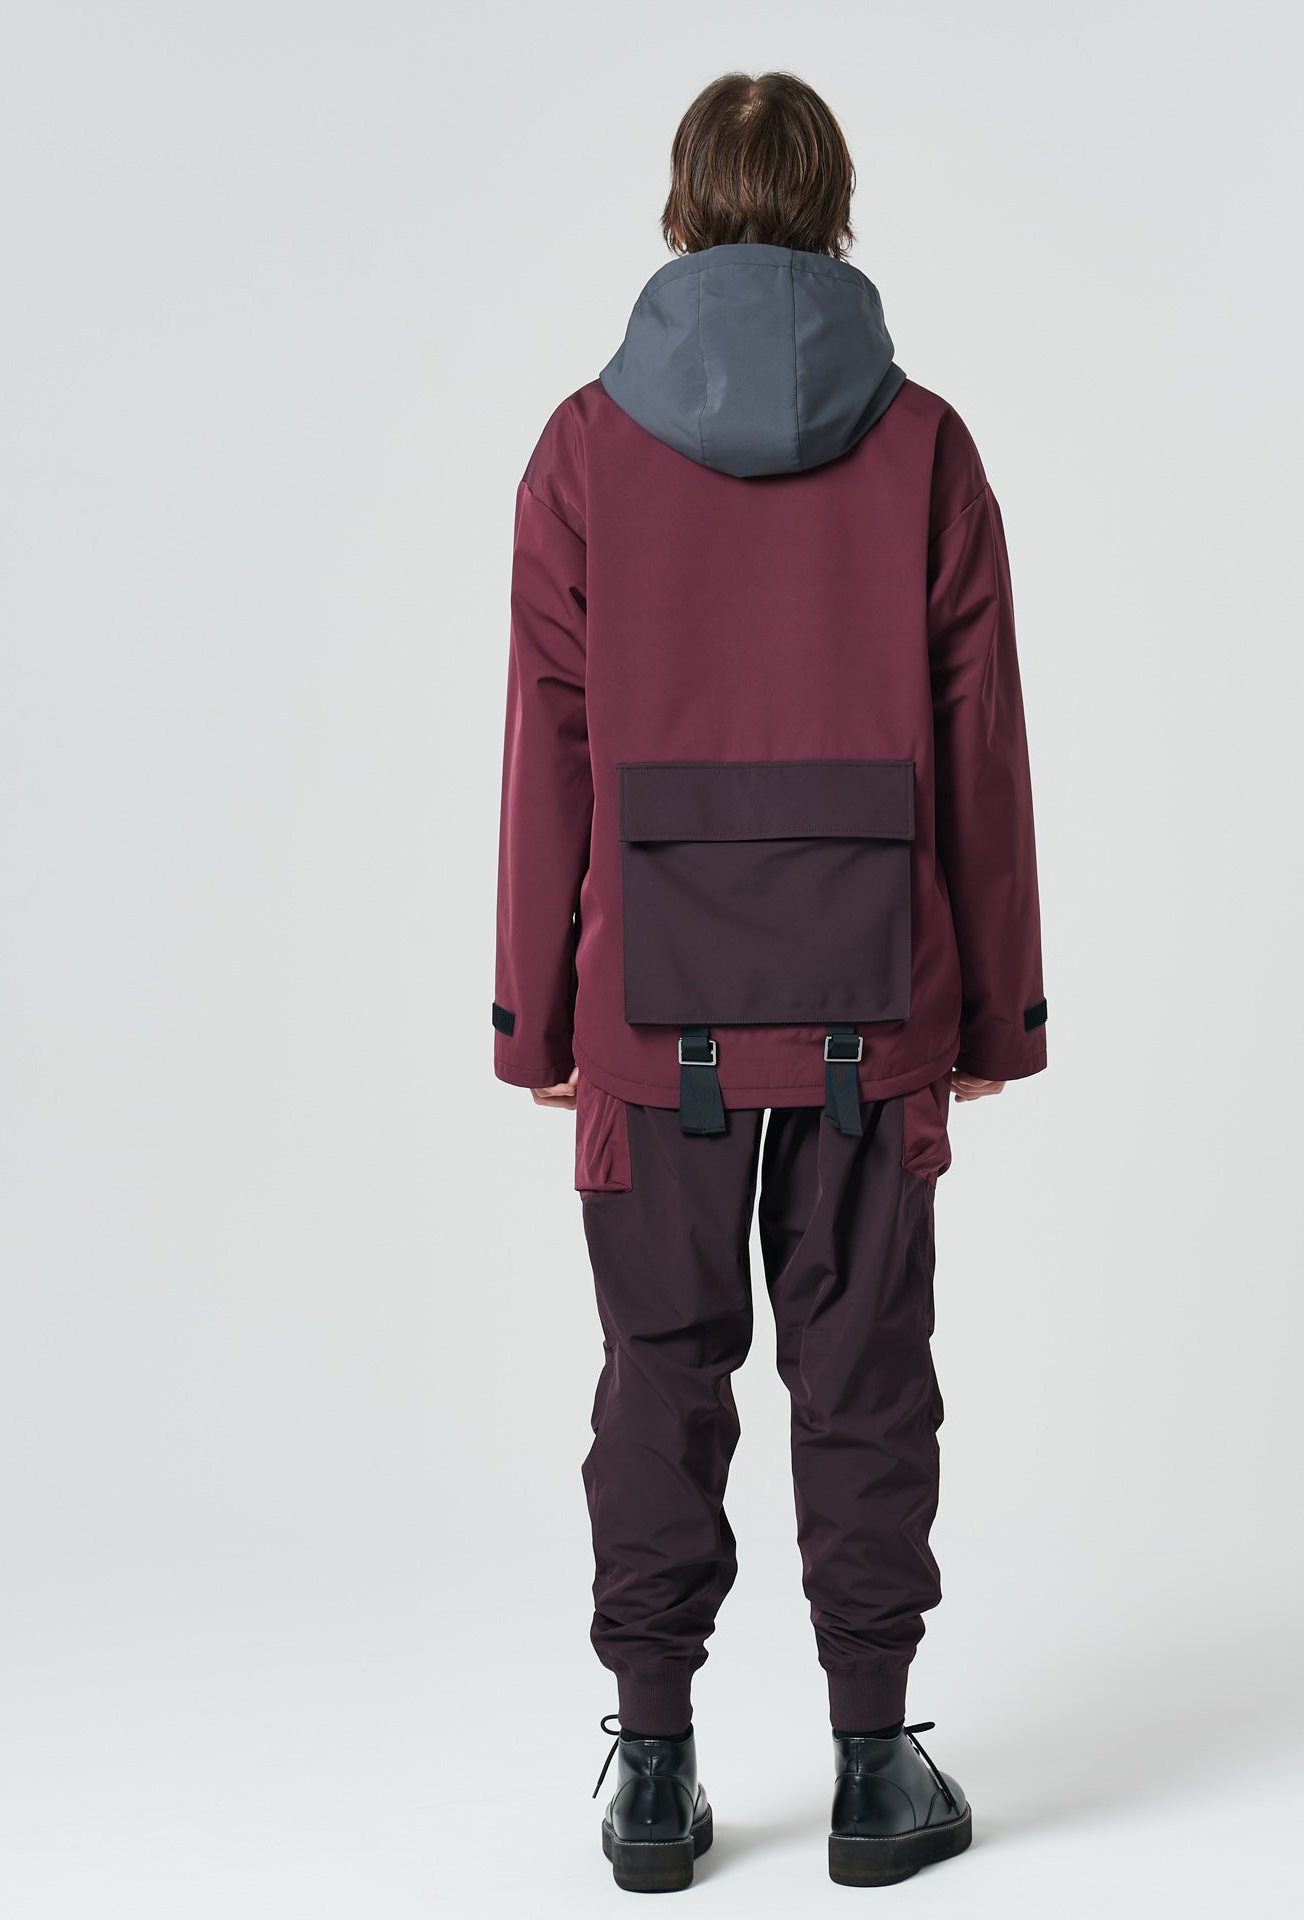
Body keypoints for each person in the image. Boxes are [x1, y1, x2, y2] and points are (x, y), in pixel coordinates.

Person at [493, 70, 1046, 1892]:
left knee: (660, 1373)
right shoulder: (927, 446)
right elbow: (980, 745)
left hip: (651, 1006)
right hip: (872, 998)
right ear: (834, 204)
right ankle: (876, 1770)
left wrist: (535, 1014)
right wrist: (996, 1012)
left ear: (681, 209)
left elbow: (548, 746)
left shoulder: (582, 450)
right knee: (865, 1371)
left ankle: (653, 1776)